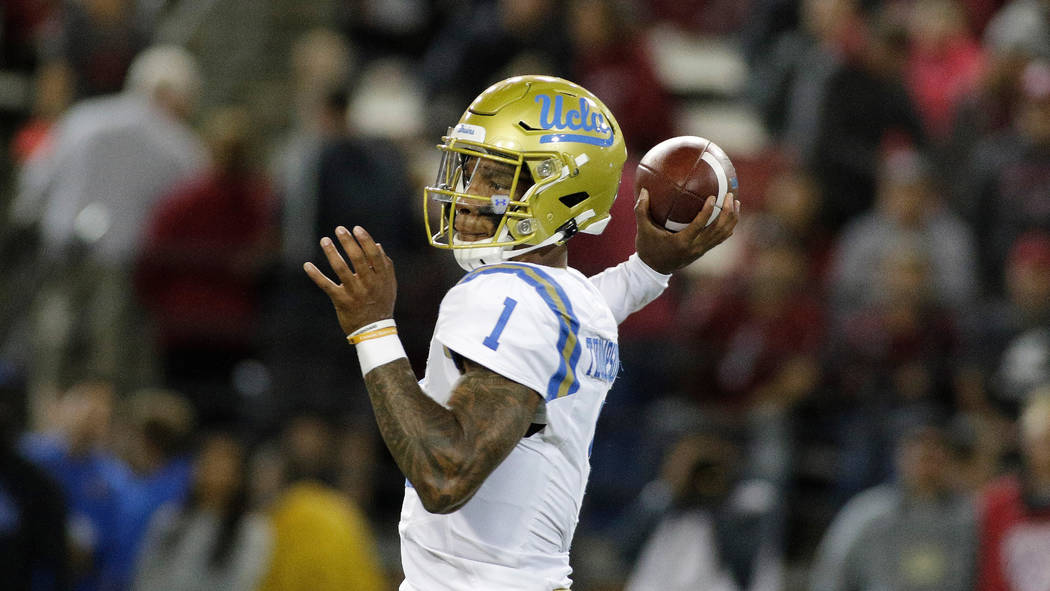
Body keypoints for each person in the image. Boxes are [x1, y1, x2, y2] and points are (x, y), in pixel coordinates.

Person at [304, 75, 738, 590]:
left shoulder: (501, 295)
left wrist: (373, 330)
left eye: (496, 178)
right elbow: (585, 308)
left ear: (559, 188)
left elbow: (446, 475)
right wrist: (649, 269)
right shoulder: (569, 297)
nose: (466, 198)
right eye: (470, 172)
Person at [810, 415, 977, 591]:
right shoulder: (868, 513)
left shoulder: (968, 516)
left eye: (937, 450)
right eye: (921, 450)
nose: (928, 459)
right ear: (901, 455)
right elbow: (832, 574)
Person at [132, 432, 272, 591]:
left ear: (238, 476)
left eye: (220, 462)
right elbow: (145, 575)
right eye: (206, 460)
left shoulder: (252, 531)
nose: (210, 468)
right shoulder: (170, 517)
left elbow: (241, 584)